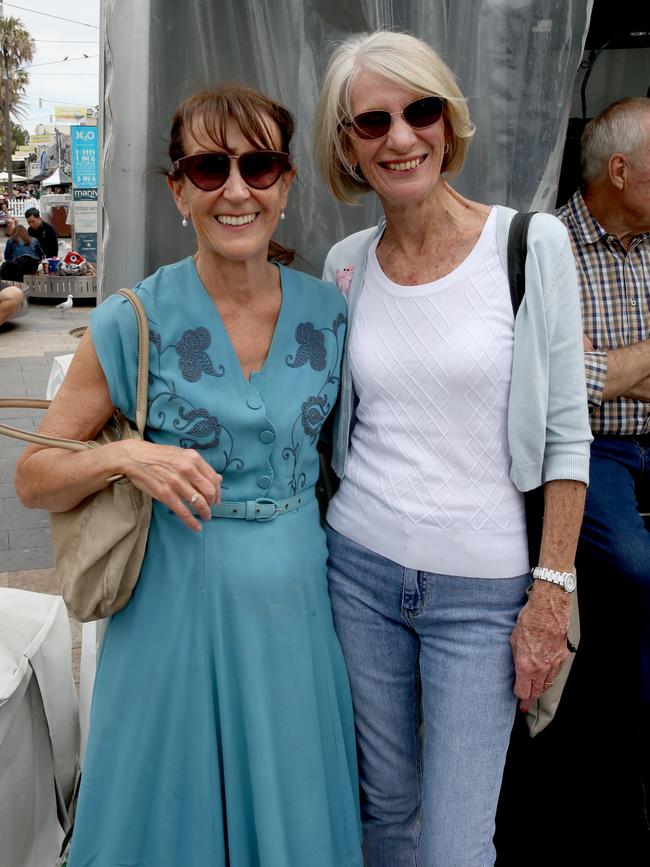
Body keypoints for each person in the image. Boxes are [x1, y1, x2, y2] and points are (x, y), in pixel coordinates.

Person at [15, 84, 362, 867]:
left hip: (296, 619)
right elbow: (34, 475)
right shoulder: (131, 319)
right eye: (209, 169)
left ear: (286, 183)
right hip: (169, 621)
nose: (236, 190)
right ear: (178, 190)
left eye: (259, 165)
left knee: (293, 816)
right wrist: (125, 455)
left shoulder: (330, 314)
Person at [313, 30, 591, 866]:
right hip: (357, 573)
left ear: (448, 119)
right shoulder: (344, 265)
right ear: (348, 147)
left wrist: (550, 594)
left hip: (487, 594)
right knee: (383, 815)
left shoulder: (529, 246)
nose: (401, 137)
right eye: (373, 121)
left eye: (420, 110)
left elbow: (567, 435)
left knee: (458, 841)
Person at [556, 96, 650, 813]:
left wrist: (615, 366)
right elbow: (567, 381)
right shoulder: (552, 250)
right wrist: (609, 372)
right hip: (595, 445)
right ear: (619, 171)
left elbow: (601, 370)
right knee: (632, 561)